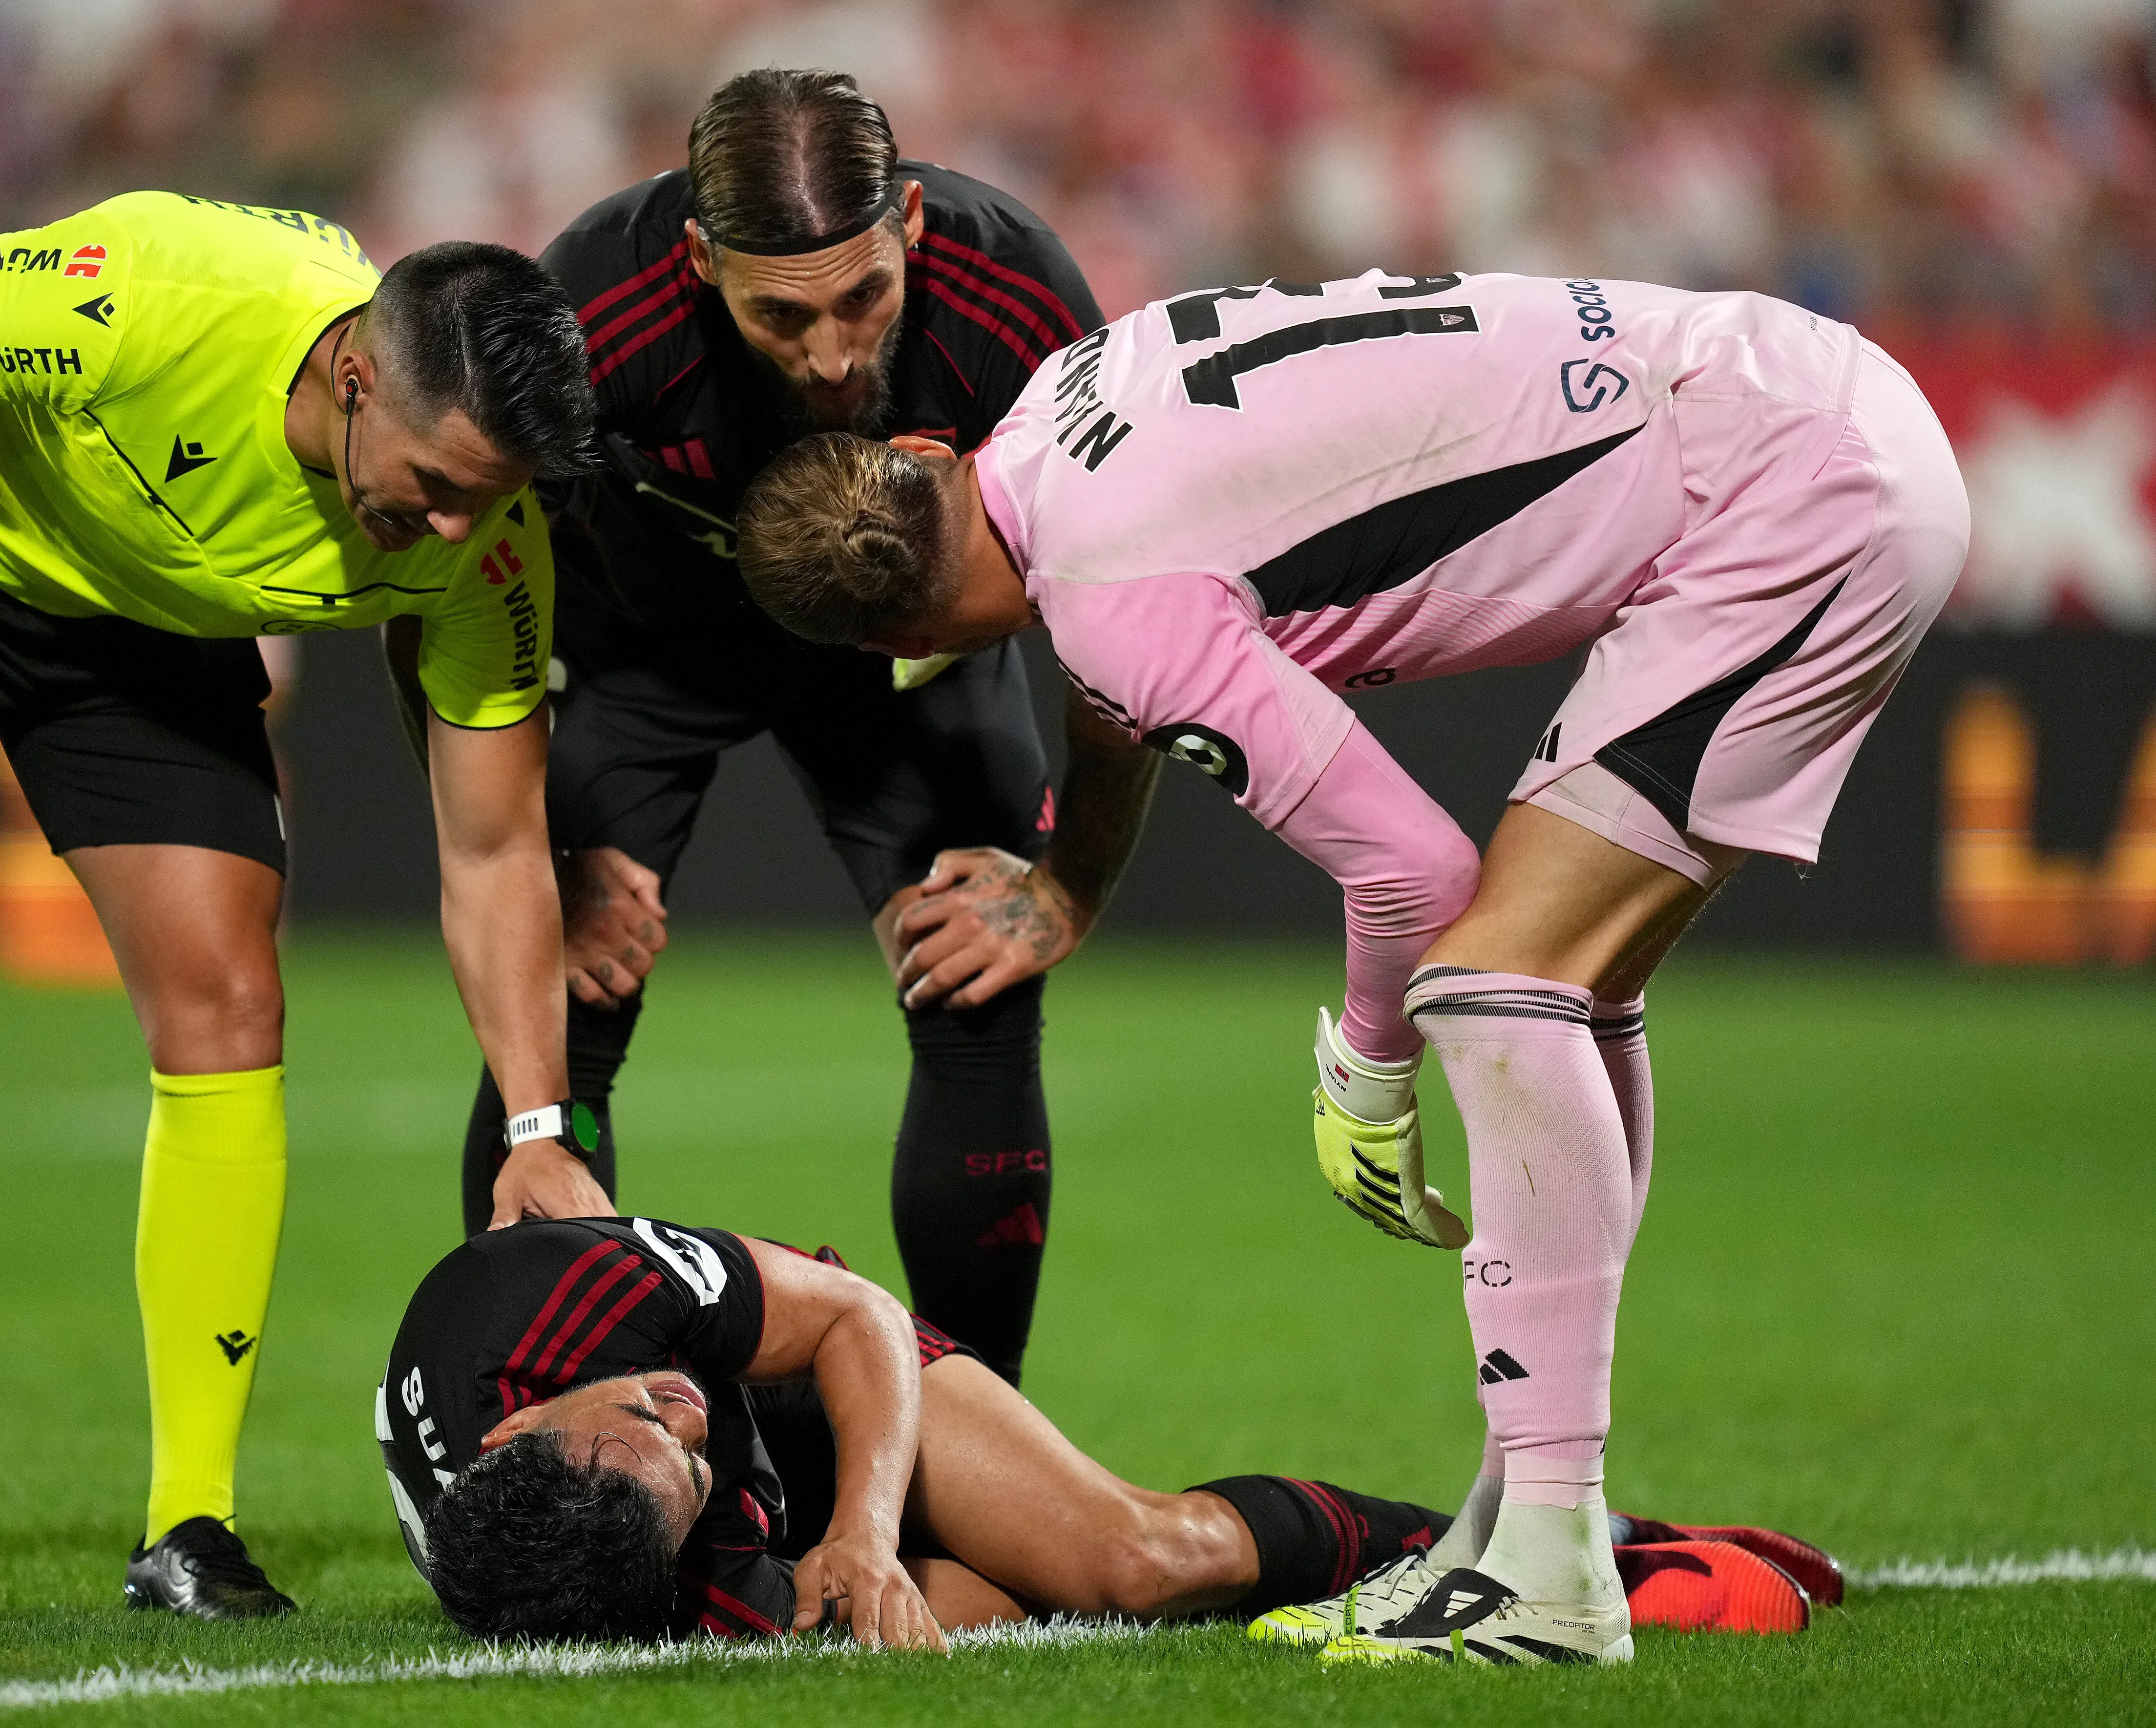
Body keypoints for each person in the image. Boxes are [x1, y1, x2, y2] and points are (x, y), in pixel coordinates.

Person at [733, 269, 1963, 1663]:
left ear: (902, 646)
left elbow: (1412, 874)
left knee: (1490, 983)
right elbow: (1111, 669)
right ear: (921, 454)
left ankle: (1550, 1576)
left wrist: (1368, 1073)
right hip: (1793, 388)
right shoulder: (1063, 400)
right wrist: (1071, 875)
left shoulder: (1113, 605)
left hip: (1790, 495)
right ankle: (1518, 1530)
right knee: (1561, 985)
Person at [0, 191, 610, 1620]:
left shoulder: (487, 548)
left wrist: (539, 1126)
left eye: (484, 499)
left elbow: (495, 850)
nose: (450, 527)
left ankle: (191, 1525)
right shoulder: (157, 295)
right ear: (351, 377)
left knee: (232, 1004)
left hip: (147, 631)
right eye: (433, 484)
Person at [456, 70, 1158, 1390]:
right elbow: (460, 601)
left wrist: (1067, 885)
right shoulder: (586, 319)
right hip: (639, 656)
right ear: (697, 260)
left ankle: (977, 1453)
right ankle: (550, 1438)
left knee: (980, 988)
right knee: (559, 1026)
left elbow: (1122, 614)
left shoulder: (1024, 306)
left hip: (905, 665)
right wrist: (541, 860)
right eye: (780, 315)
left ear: (909, 224)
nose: (833, 354)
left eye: (864, 298)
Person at [378, 1217, 1841, 1645]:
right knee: (1030, 1597)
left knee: (1138, 1558)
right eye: (680, 1464)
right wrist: (877, 1582)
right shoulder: (609, 1569)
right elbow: (709, 1517)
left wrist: (864, 1531)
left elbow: (850, 1321)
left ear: (520, 1433)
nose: (675, 1416)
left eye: (642, 1409)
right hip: (745, 1504)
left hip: (825, 1359)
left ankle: (1592, 1542)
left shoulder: (547, 1300)